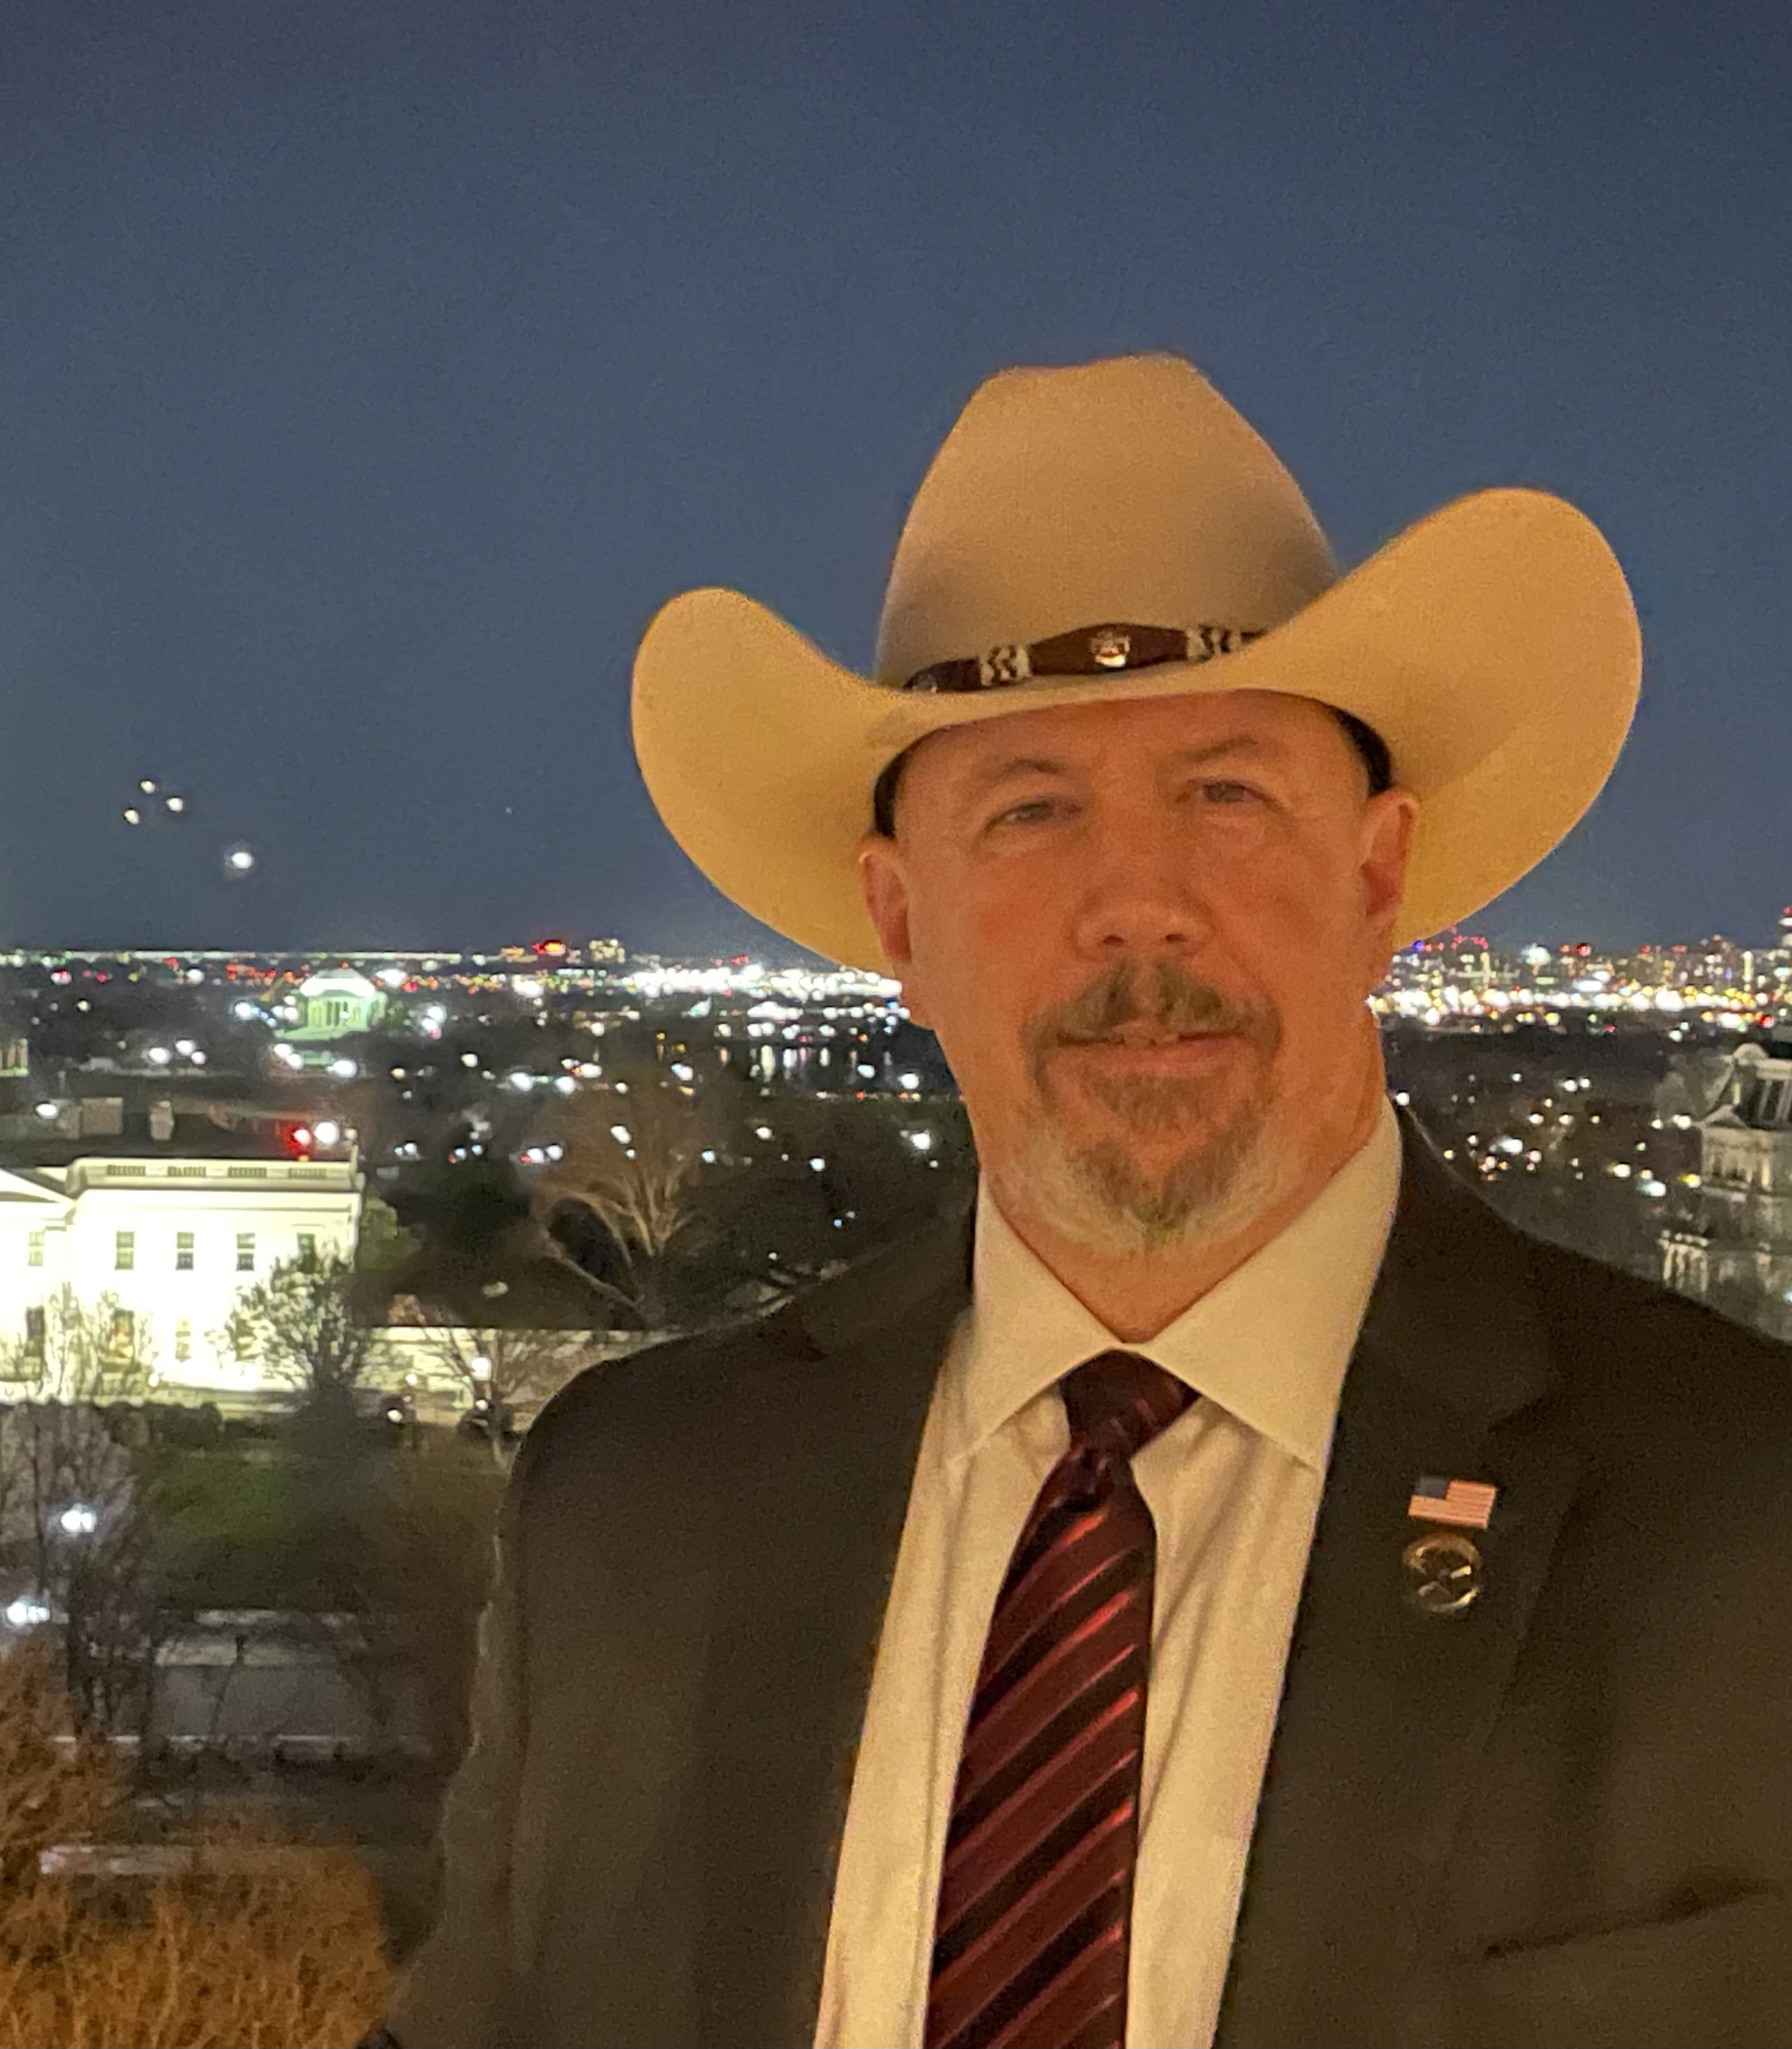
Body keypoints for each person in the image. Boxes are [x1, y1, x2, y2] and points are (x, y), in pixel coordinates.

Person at [379, 357, 1792, 2048]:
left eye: (1225, 794)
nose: (1138, 904)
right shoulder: (635, 1510)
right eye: (1031, 810)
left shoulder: (1742, 1525)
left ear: (1375, 875)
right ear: (900, 922)